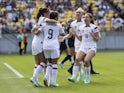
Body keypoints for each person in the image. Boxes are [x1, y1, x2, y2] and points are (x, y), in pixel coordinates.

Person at [68, 13, 101, 84]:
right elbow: (80, 39)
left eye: (87, 17)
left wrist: (93, 35)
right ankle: (73, 77)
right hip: (83, 46)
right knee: (77, 59)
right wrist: (74, 34)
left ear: (90, 19)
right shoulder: (81, 27)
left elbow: (97, 39)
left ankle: (87, 77)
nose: (85, 18)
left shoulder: (94, 27)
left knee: (86, 61)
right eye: (84, 17)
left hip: (92, 47)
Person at [42, 11, 65, 87]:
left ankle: (46, 76)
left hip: (45, 45)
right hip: (54, 45)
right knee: (54, 64)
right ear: (55, 18)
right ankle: (53, 82)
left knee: (49, 63)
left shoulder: (44, 24)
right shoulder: (58, 25)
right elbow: (63, 33)